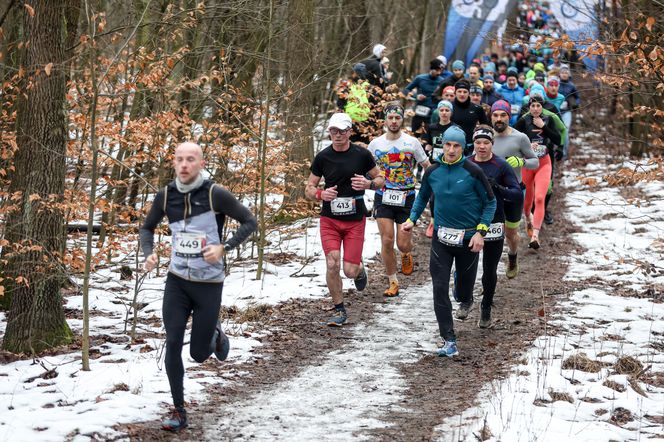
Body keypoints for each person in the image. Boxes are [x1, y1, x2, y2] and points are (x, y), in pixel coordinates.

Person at [140, 142, 257, 432]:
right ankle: (179, 411)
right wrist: (149, 253)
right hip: (177, 281)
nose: (183, 165)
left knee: (198, 354)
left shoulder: (215, 194)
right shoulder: (166, 195)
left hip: (209, 284)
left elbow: (249, 221)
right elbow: (147, 227)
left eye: (190, 159)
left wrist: (224, 247)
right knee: (173, 342)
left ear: (201, 163)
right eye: (179, 159)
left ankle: (215, 334)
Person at [402, 126, 496, 357]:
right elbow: (423, 196)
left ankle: (465, 297)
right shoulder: (433, 172)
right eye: (447, 145)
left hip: (467, 240)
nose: (451, 150)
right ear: (442, 145)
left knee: (463, 292)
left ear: (464, 148)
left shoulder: (473, 172)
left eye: (456, 146)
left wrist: (480, 233)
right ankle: (449, 339)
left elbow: (490, 203)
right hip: (441, 240)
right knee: (439, 287)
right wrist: (411, 219)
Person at [305, 113, 384, 326]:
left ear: (349, 132)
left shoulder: (362, 154)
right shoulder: (323, 157)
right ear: (329, 132)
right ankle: (339, 309)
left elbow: (381, 178)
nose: (337, 135)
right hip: (329, 220)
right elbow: (309, 188)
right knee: (332, 263)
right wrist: (321, 195)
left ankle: (359, 270)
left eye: (342, 131)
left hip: (354, 221)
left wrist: (368, 185)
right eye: (333, 131)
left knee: (349, 271)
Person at [368, 103, 430, 296]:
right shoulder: (376, 144)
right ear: (385, 120)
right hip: (383, 197)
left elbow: (426, 165)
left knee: (402, 243)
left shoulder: (411, 142)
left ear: (402, 119)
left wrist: (439, 183)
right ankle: (393, 282)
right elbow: (366, 168)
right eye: (390, 118)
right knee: (387, 241)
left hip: (406, 197)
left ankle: (406, 253)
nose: (394, 121)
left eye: (397, 118)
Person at [468, 126, 521, 327]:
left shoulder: (501, 166)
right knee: (466, 266)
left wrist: (498, 188)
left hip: (494, 221)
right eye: (478, 142)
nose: (482, 146)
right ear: (474, 144)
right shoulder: (466, 163)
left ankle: (486, 307)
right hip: (469, 221)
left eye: (486, 142)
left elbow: (517, 194)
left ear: (492, 144)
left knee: (489, 269)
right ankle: (465, 299)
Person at [490, 100, 537, 278]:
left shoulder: (520, 138)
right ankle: (490, 269)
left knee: (511, 234)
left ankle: (512, 255)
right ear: (491, 116)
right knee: (491, 231)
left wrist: (521, 161)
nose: (499, 119)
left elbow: (535, 161)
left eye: (503, 115)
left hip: (514, 191)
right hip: (491, 192)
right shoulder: (485, 138)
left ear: (509, 116)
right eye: (495, 115)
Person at [514, 96, 562, 248]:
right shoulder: (524, 120)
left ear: (542, 107)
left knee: (540, 198)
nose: (535, 108)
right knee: (528, 201)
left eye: (538, 106)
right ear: (529, 107)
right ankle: (528, 219)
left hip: (544, 163)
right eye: (533, 105)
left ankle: (535, 235)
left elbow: (558, 139)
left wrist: (544, 127)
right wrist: (527, 145)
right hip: (528, 164)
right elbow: (513, 138)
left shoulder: (548, 119)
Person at [424, 100, 460, 238]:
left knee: (449, 193)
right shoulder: (432, 127)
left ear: (451, 112)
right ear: (438, 112)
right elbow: (427, 144)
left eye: (447, 110)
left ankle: (449, 220)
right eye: (442, 110)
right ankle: (433, 221)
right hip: (436, 165)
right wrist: (426, 153)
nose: (444, 113)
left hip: (451, 165)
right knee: (433, 195)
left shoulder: (456, 128)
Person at [403, 58, 446, 139]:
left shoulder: (442, 81)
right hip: (420, 112)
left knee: (428, 137)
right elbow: (406, 90)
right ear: (431, 69)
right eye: (437, 70)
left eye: (440, 70)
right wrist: (416, 96)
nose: (439, 73)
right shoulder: (420, 78)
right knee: (415, 136)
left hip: (433, 114)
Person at [450, 79, 489, 155]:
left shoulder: (477, 108)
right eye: (459, 91)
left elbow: (486, 127)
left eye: (465, 92)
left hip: (471, 147)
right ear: (455, 93)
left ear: (468, 93)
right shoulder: (449, 107)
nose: (462, 94)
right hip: (452, 147)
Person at [557, 65, 580, 159]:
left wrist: (576, 104)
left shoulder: (571, 85)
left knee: (565, 131)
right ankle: (556, 151)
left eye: (566, 73)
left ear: (569, 74)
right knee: (557, 132)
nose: (564, 74)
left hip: (567, 111)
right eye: (562, 73)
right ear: (559, 74)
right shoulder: (556, 84)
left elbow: (577, 97)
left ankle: (564, 153)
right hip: (557, 111)